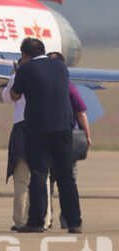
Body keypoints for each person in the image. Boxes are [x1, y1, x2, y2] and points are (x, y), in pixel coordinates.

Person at [10, 38, 82, 233]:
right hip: (63, 127)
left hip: (38, 128)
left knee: (39, 175)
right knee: (66, 176)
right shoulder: (60, 67)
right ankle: (74, 222)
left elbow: (14, 95)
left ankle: (35, 221)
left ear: (25, 55)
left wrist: (18, 75)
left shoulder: (25, 69)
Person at [3, 56, 50, 231]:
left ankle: (21, 220)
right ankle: (44, 219)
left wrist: (13, 77)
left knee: (22, 178)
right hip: (43, 127)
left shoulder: (18, 77)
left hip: (22, 128)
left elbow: (7, 97)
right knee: (42, 176)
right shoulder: (48, 75)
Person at [46, 52, 91, 229]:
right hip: (65, 138)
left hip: (44, 138)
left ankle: (45, 218)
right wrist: (87, 135)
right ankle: (69, 220)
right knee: (68, 179)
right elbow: (80, 112)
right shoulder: (69, 87)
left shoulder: (39, 85)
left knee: (46, 181)